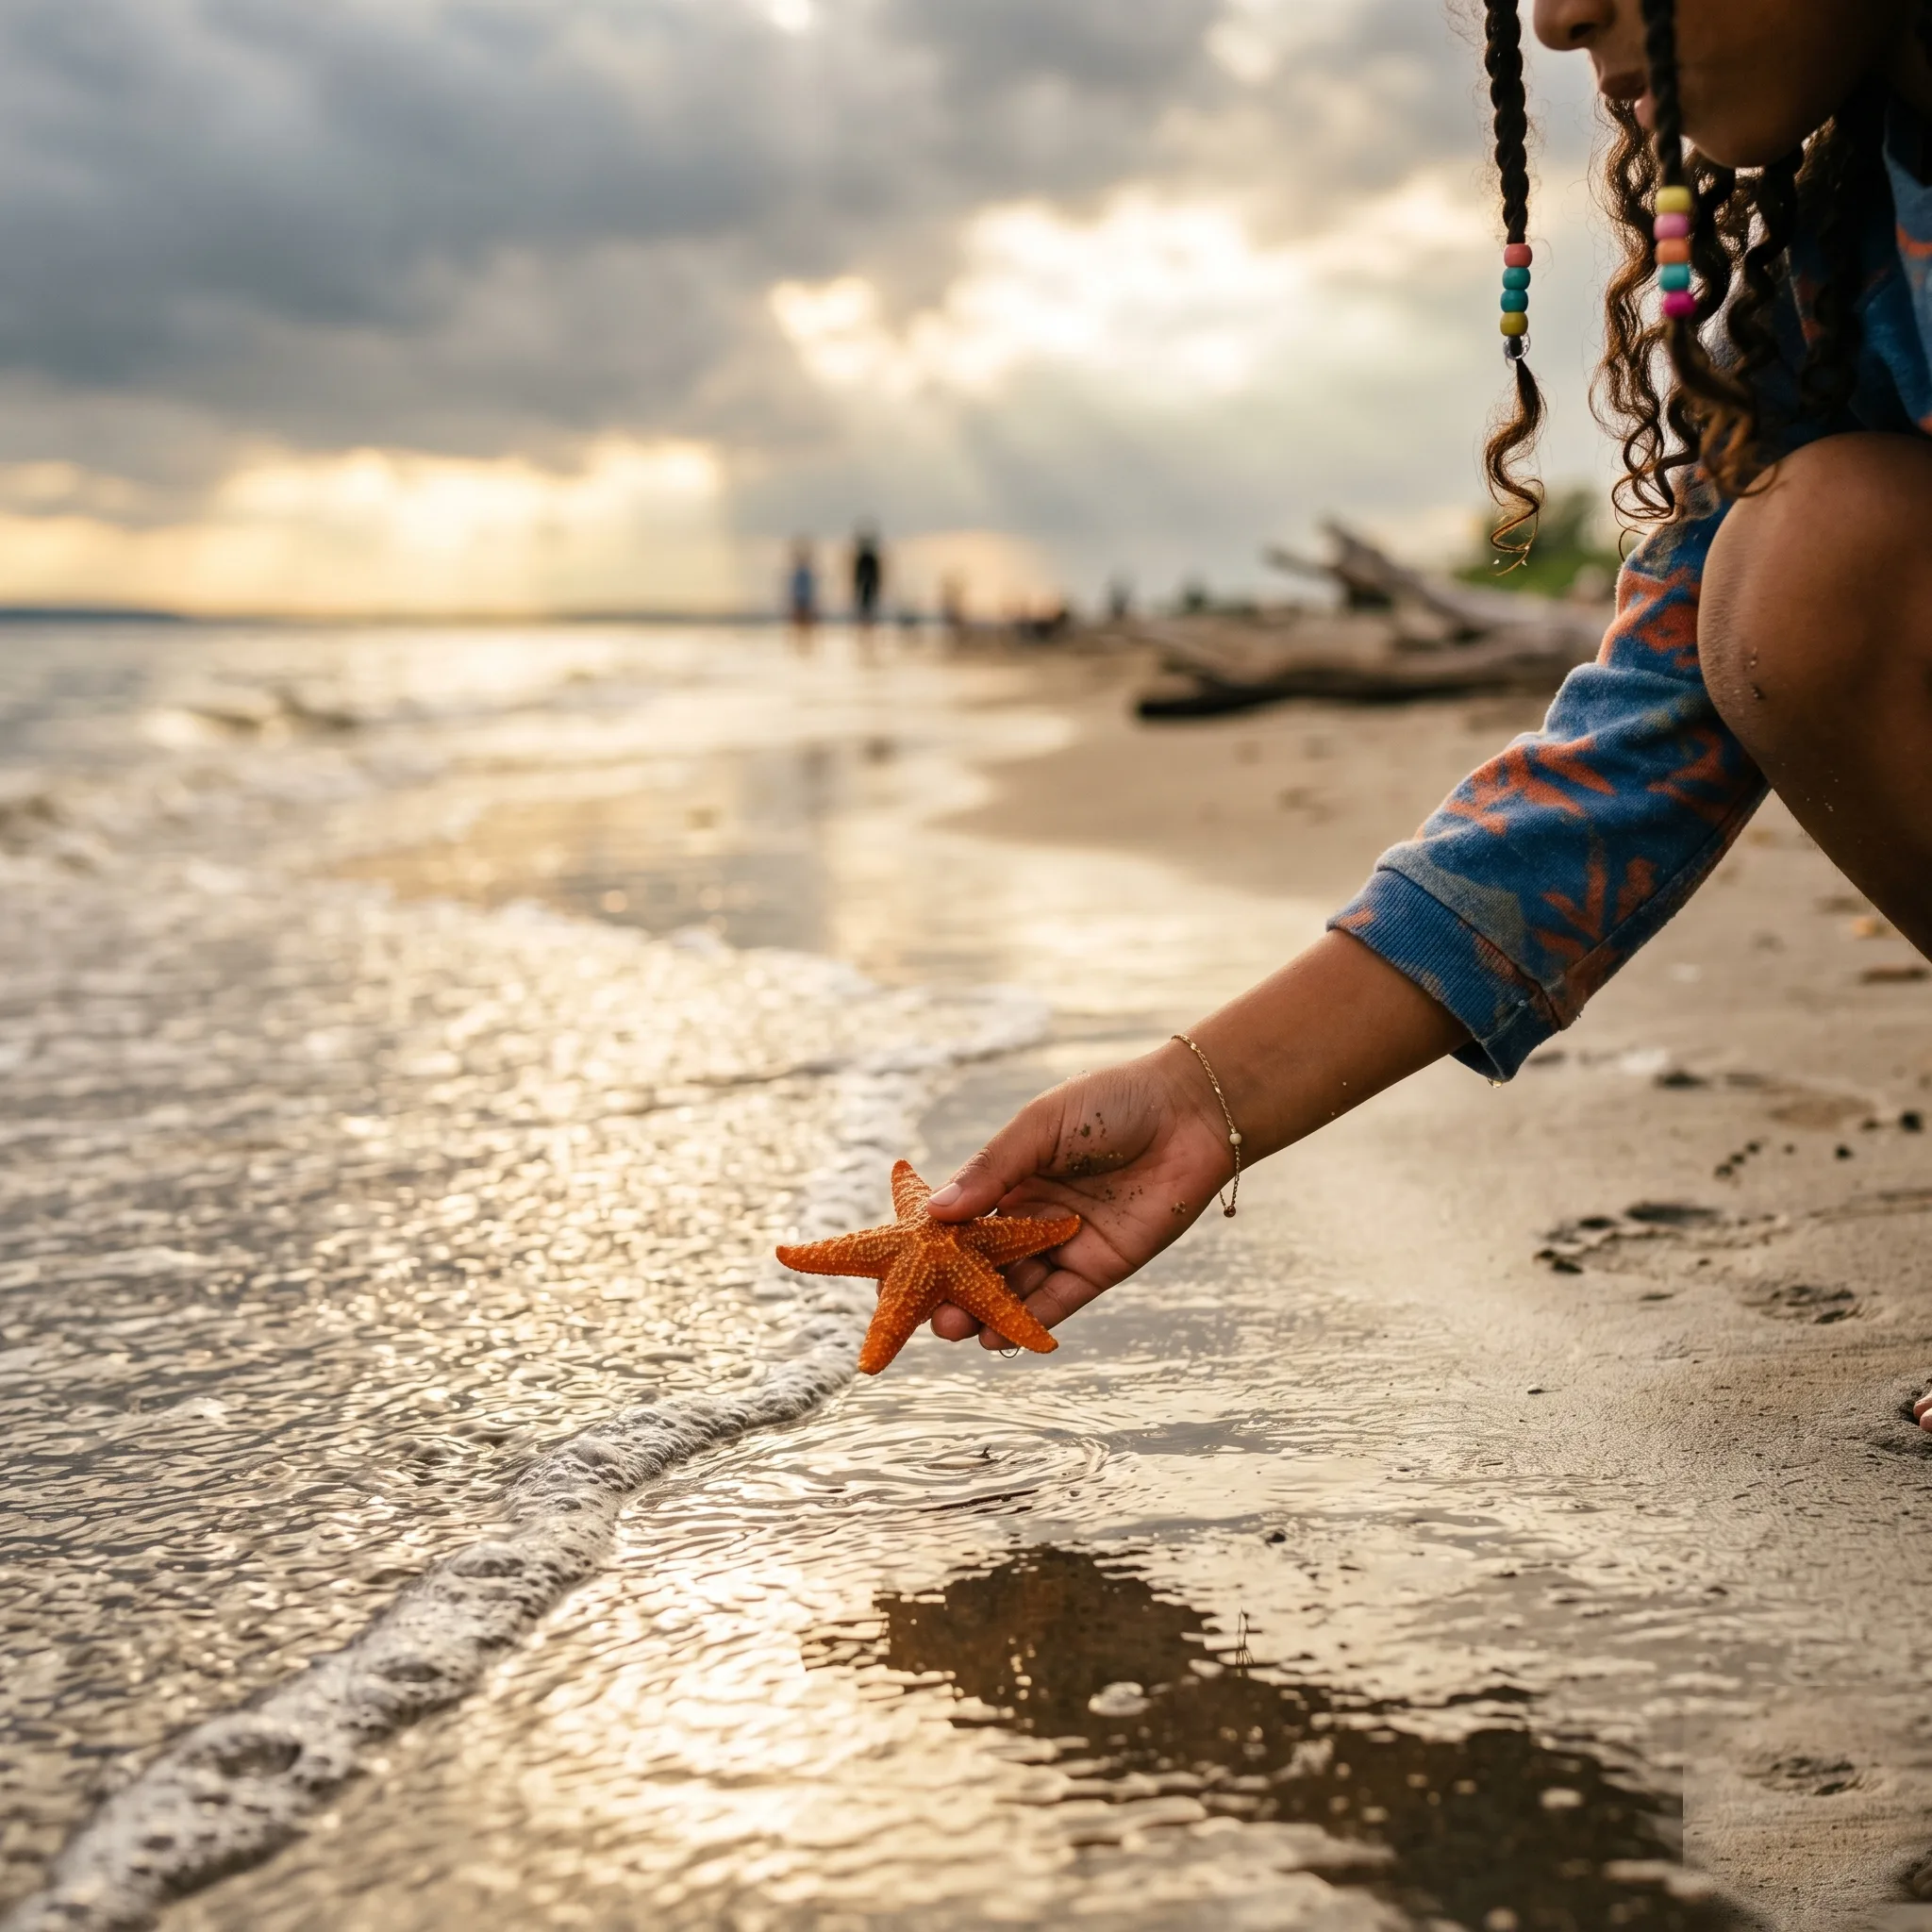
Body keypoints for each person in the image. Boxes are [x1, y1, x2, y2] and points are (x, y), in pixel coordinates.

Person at [924, 0, 1932, 1434]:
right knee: (1795, 572)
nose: (1555, 13)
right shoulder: (1846, 267)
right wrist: (1198, 1101)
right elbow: (1639, 740)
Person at [786, 538, 818, 647]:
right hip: (800, 598)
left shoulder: (805, 572)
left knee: (805, 619)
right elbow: (794, 587)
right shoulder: (799, 572)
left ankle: (804, 640)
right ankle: (800, 640)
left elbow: (810, 587)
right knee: (800, 619)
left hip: (804, 598)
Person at [852, 524, 884, 627]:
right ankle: (865, 624)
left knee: (868, 608)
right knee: (865, 608)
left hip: (869, 588)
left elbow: (875, 575)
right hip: (865, 588)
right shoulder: (864, 559)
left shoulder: (869, 559)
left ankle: (867, 624)